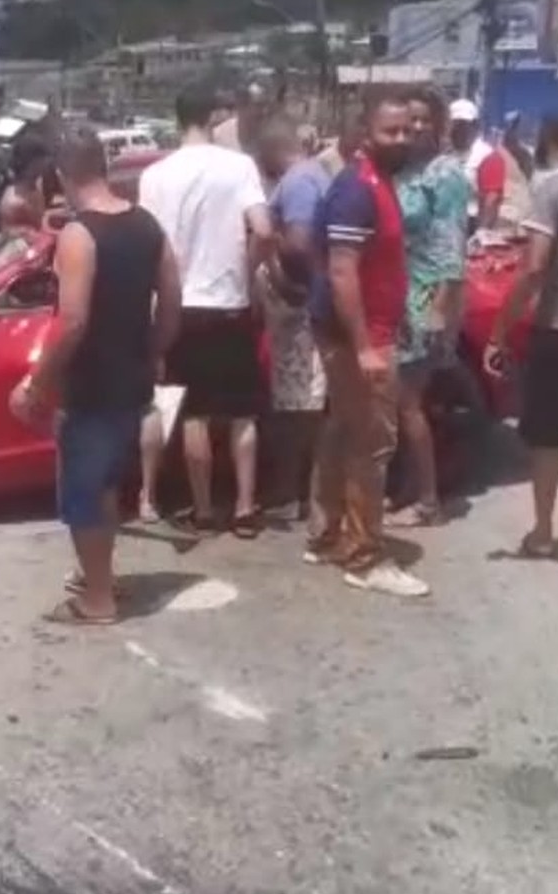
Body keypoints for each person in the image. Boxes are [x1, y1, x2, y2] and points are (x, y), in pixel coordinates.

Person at [10, 127, 181, 625]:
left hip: (91, 387)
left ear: (60, 176)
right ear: (103, 166)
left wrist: (36, 384)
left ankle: (98, 601)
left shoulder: (79, 236)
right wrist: (151, 350)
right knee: (105, 485)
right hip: (131, 381)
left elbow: (75, 321)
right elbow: (171, 303)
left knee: (84, 491)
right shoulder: (148, 227)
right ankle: (98, 578)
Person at [309, 93, 429, 598]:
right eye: (391, 131)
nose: (403, 138)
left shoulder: (377, 184)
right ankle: (363, 554)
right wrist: (364, 346)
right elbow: (342, 271)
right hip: (360, 338)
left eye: (408, 129)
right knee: (372, 445)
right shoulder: (357, 189)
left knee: (343, 432)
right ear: (364, 132)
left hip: (366, 333)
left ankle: (329, 534)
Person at [138, 84, 271, 535]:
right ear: (214, 118)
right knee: (241, 413)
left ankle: (203, 508)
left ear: (176, 120)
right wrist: (246, 271)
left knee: (193, 412)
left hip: (180, 307)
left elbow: (149, 247)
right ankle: (246, 506)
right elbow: (265, 230)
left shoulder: (154, 176)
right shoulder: (239, 167)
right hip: (230, 302)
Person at [486, 115, 558, 558]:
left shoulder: (557, 190)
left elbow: (535, 267)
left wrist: (501, 329)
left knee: (546, 439)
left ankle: (543, 531)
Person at [389, 90, 471, 525]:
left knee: (409, 402)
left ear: (439, 123)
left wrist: (440, 308)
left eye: (423, 120)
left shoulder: (446, 174)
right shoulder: (404, 169)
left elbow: (451, 248)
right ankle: (406, 487)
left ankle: (427, 500)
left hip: (424, 298)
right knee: (398, 403)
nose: (415, 127)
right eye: (409, 120)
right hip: (397, 296)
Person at [255, 119, 329, 520]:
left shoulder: (298, 181)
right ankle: (306, 490)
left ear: (270, 152)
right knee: (307, 400)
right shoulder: (315, 173)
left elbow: (299, 244)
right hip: (309, 299)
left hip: (299, 305)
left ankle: (293, 493)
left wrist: (271, 247)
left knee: (299, 403)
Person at [451, 98, 506, 231]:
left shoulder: (487, 156)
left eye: (464, 124)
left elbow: (491, 199)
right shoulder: (445, 153)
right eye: (456, 124)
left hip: (472, 222)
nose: (459, 130)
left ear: (475, 125)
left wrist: (482, 232)